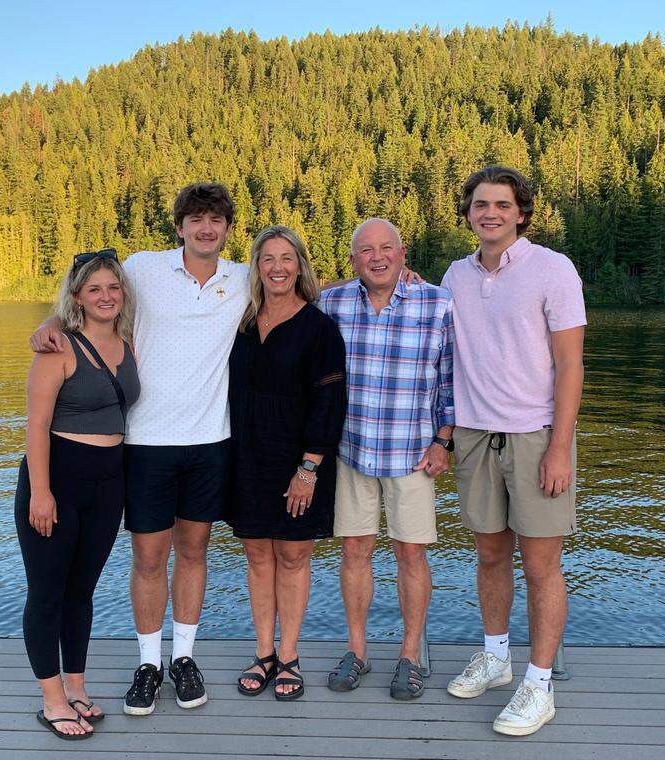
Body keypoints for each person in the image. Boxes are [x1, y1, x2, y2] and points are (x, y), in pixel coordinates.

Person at [29, 183, 249, 715]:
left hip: (210, 441)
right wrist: (50, 323)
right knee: (149, 558)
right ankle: (148, 664)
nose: (205, 228)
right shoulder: (143, 269)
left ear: (226, 228)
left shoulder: (242, 278)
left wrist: (390, 275)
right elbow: (91, 296)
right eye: (194, 219)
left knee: (194, 552)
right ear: (179, 227)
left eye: (215, 220)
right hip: (146, 445)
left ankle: (184, 660)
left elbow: (299, 285)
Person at [441, 165, 585, 736]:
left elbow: (571, 364)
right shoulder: (455, 275)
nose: (490, 213)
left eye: (502, 204)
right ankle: (497, 658)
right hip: (475, 435)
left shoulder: (553, 269)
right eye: (480, 204)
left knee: (541, 565)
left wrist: (560, 447)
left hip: (534, 436)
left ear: (521, 212)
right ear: (469, 213)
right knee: (490, 555)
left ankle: (539, 683)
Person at [319, 218, 455, 700]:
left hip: (413, 453)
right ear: (352, 260)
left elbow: (450, 381)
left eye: (386, 249)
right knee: (354, 552)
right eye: (365, 251)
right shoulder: (332, 303)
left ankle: (409, 656)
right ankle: (357, 651)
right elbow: (285, 292)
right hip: (351, 450)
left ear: (403, 253)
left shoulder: (437, 302)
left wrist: (445, 440)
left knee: (410, 555)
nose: (377, 258)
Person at [15, 250, 140, 740]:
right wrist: (41, 493)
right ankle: (51, 700)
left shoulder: (128, 343)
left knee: (81, 592)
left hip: (109, 483)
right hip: (58, 480)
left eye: (113, 288)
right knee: (47, 592)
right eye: (94, 290)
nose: (106, 297)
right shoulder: (58, 348)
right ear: (77, 298)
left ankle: (77, 686)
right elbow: (37, 425)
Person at [228, 226, 346, 701]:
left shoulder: (320, 328)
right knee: (257, 554)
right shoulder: (240, 320)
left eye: (287, 258)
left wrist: (309, 468)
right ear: (256, 267)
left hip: (300, 461)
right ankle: (264, 653)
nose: (277, 267)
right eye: (267, 258)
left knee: (293, 555)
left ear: (300, 265)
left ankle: (290, 655)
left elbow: (329, 402)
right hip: (246, 457)